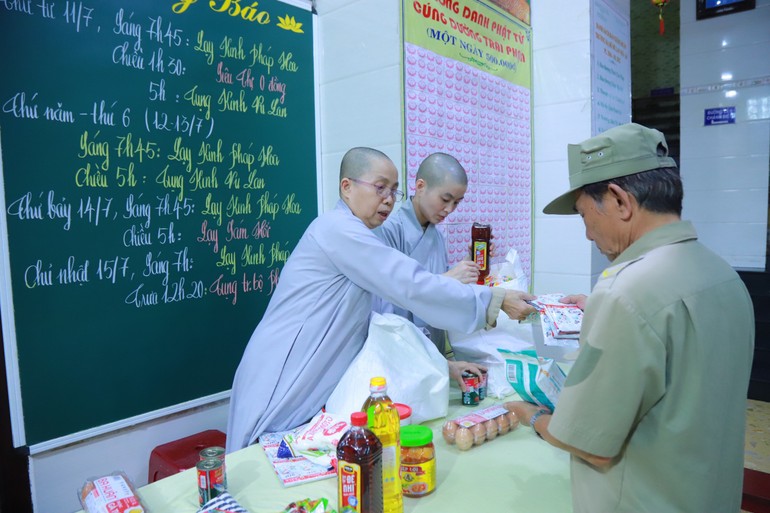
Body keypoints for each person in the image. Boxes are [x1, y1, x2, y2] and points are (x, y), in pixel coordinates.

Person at [505, 123, 755, 513]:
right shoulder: (722, 275)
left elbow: (588, 443)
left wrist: (532, 415)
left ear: (620, 201)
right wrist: (601, 309)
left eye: (584, 215)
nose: (588, 235)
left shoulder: (624, 292)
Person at [227, 147, 535, 452]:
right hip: (282, 366)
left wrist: (444, 361)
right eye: (379, 188)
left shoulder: (365, 231)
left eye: (393, 190)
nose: (388, 198)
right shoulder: (338, 229)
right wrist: (495, 300)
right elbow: (409, 284)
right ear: (346, 187)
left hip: (313, 369)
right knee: (256, 461)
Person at [374, 152, 487, 387]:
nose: (449, 209)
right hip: (401, 354)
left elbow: (442, 288)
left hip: (433, 351)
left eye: (456, 202)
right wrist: (447, 278)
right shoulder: (389, 231)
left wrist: (470, 265)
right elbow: (388, 301)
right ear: (420, 186)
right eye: (445, 199)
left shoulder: (436, 235)